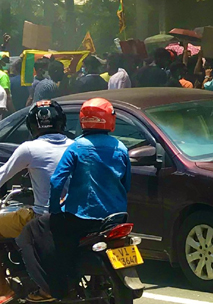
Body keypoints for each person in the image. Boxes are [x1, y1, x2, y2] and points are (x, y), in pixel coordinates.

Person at [17, 98, 131, 301]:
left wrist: (54, 210)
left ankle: (51, 288)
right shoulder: (121, 148)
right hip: (116, 217)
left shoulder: (78, 147)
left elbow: (57, 182)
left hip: (81, 217)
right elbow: (126, 183)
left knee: (33, 230)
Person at [0, 101, 72, 303]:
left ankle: (3, 289)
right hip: (73, 214)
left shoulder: (29, 149)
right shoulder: (76, 145)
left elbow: (3, 174)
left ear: (32, 125)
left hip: (41, 216)